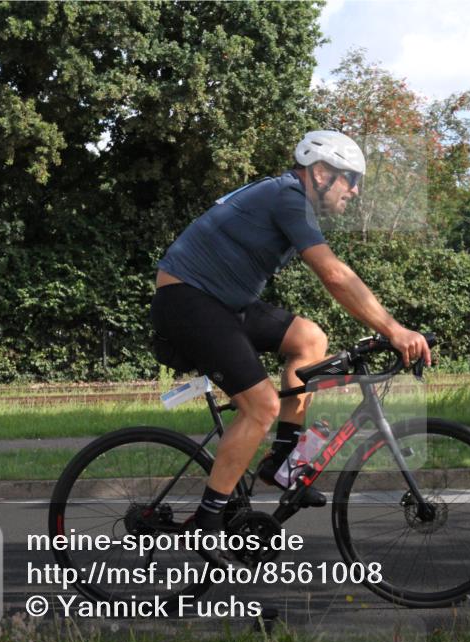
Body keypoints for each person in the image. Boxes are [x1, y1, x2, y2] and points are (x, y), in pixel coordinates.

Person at [150, 130, 432, 564]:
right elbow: (334, 274)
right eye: (349, 178)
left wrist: (384, 327)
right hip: (188, 300)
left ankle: (281, 460)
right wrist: (393, 330)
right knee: (260, 405)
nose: (354, 191)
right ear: (320, 173)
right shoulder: (287, 197)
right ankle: (205, 524)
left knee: (310, 339)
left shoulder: (287, 198)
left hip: (223, 303)